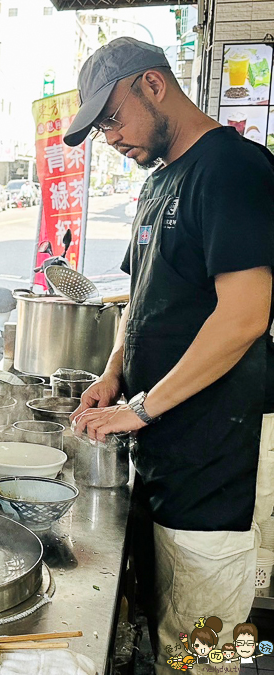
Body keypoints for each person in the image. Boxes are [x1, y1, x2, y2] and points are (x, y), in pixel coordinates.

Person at [63, 37, 274, 675]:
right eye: (98, 127)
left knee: (202, 653)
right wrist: (113, 373)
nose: (109, 137)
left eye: (111, 118)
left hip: (216, 463)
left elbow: (244, 317)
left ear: (153, 85)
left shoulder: (234, 168)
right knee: (165, 637)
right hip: (164, 454)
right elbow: (143, 297)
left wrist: (142, 409)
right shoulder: (159, 183)